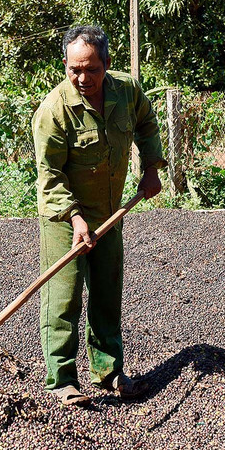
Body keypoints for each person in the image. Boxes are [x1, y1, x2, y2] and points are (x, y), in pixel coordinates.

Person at [32, 25, 166, 407]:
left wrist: (151, 167)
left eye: (91, 69)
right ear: (64, 64)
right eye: (74, 69)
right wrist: (76, 220)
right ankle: (61, 379)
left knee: (107, 294)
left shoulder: (126, 91)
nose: (82, 78)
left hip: (110, 212)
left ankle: (108, 372)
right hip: (64, 218)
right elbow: (50, 177)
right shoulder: (53, 111)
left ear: (107, 63)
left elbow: (146, 123)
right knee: (64, 298)